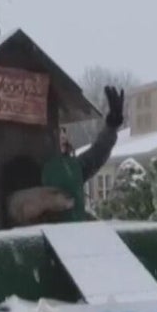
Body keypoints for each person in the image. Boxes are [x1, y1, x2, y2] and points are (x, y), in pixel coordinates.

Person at [40, 86, 126, 222]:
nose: (64, 137)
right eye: (58, 131)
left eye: (64, 131)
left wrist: (111, 126)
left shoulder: (73, 168)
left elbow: (97, 153)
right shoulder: (37, 169)